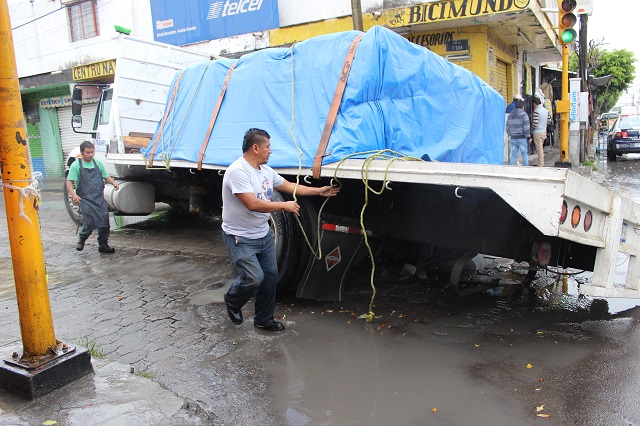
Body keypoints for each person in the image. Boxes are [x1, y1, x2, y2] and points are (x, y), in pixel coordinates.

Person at [221, 128, 340, 332]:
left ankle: (263, 320)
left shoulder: (265, 171)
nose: (270, 151)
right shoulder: (238, 171)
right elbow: (252, 204)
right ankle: (232, 299)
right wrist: (283, 206)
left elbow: (290, 186)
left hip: (263, 234)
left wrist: (319, 191)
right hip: (240, 236)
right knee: (253, 278)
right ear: (255, 147)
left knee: (269, 278)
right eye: (268, 147)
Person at [66, 141, 120, 253]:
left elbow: (106, 176)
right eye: (87, 152)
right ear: (82, 153)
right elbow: (69, 182)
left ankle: (103, 244)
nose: (90, 155)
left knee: (104, 222)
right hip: (85, 199)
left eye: (92, 152)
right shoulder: (76, 165)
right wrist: (73, 195)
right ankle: (82, 238)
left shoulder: (97, 163)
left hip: (98, 198)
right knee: (90, 222)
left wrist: (113, 183)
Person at [506, 98, 532, 166]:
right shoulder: (524, 114)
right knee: (524, 153)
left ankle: (510, 167)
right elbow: (526, 127)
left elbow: (507, 127)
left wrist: (511, 133)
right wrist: (528, 137)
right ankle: (526, 168)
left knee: (513, 154)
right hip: (521, 137)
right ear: (522, 106)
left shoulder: (510, 115)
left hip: (513, 138)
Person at [531, 96, 549, 167]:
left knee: (539, 149)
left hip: (537, 132)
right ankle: (540, 162)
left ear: (535, 103)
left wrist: (532, 129)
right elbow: (549, 121)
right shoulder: (546, 110)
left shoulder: (536, 111)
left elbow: (535, 123)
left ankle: (540, 164)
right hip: (544, 132)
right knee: (541, 148)